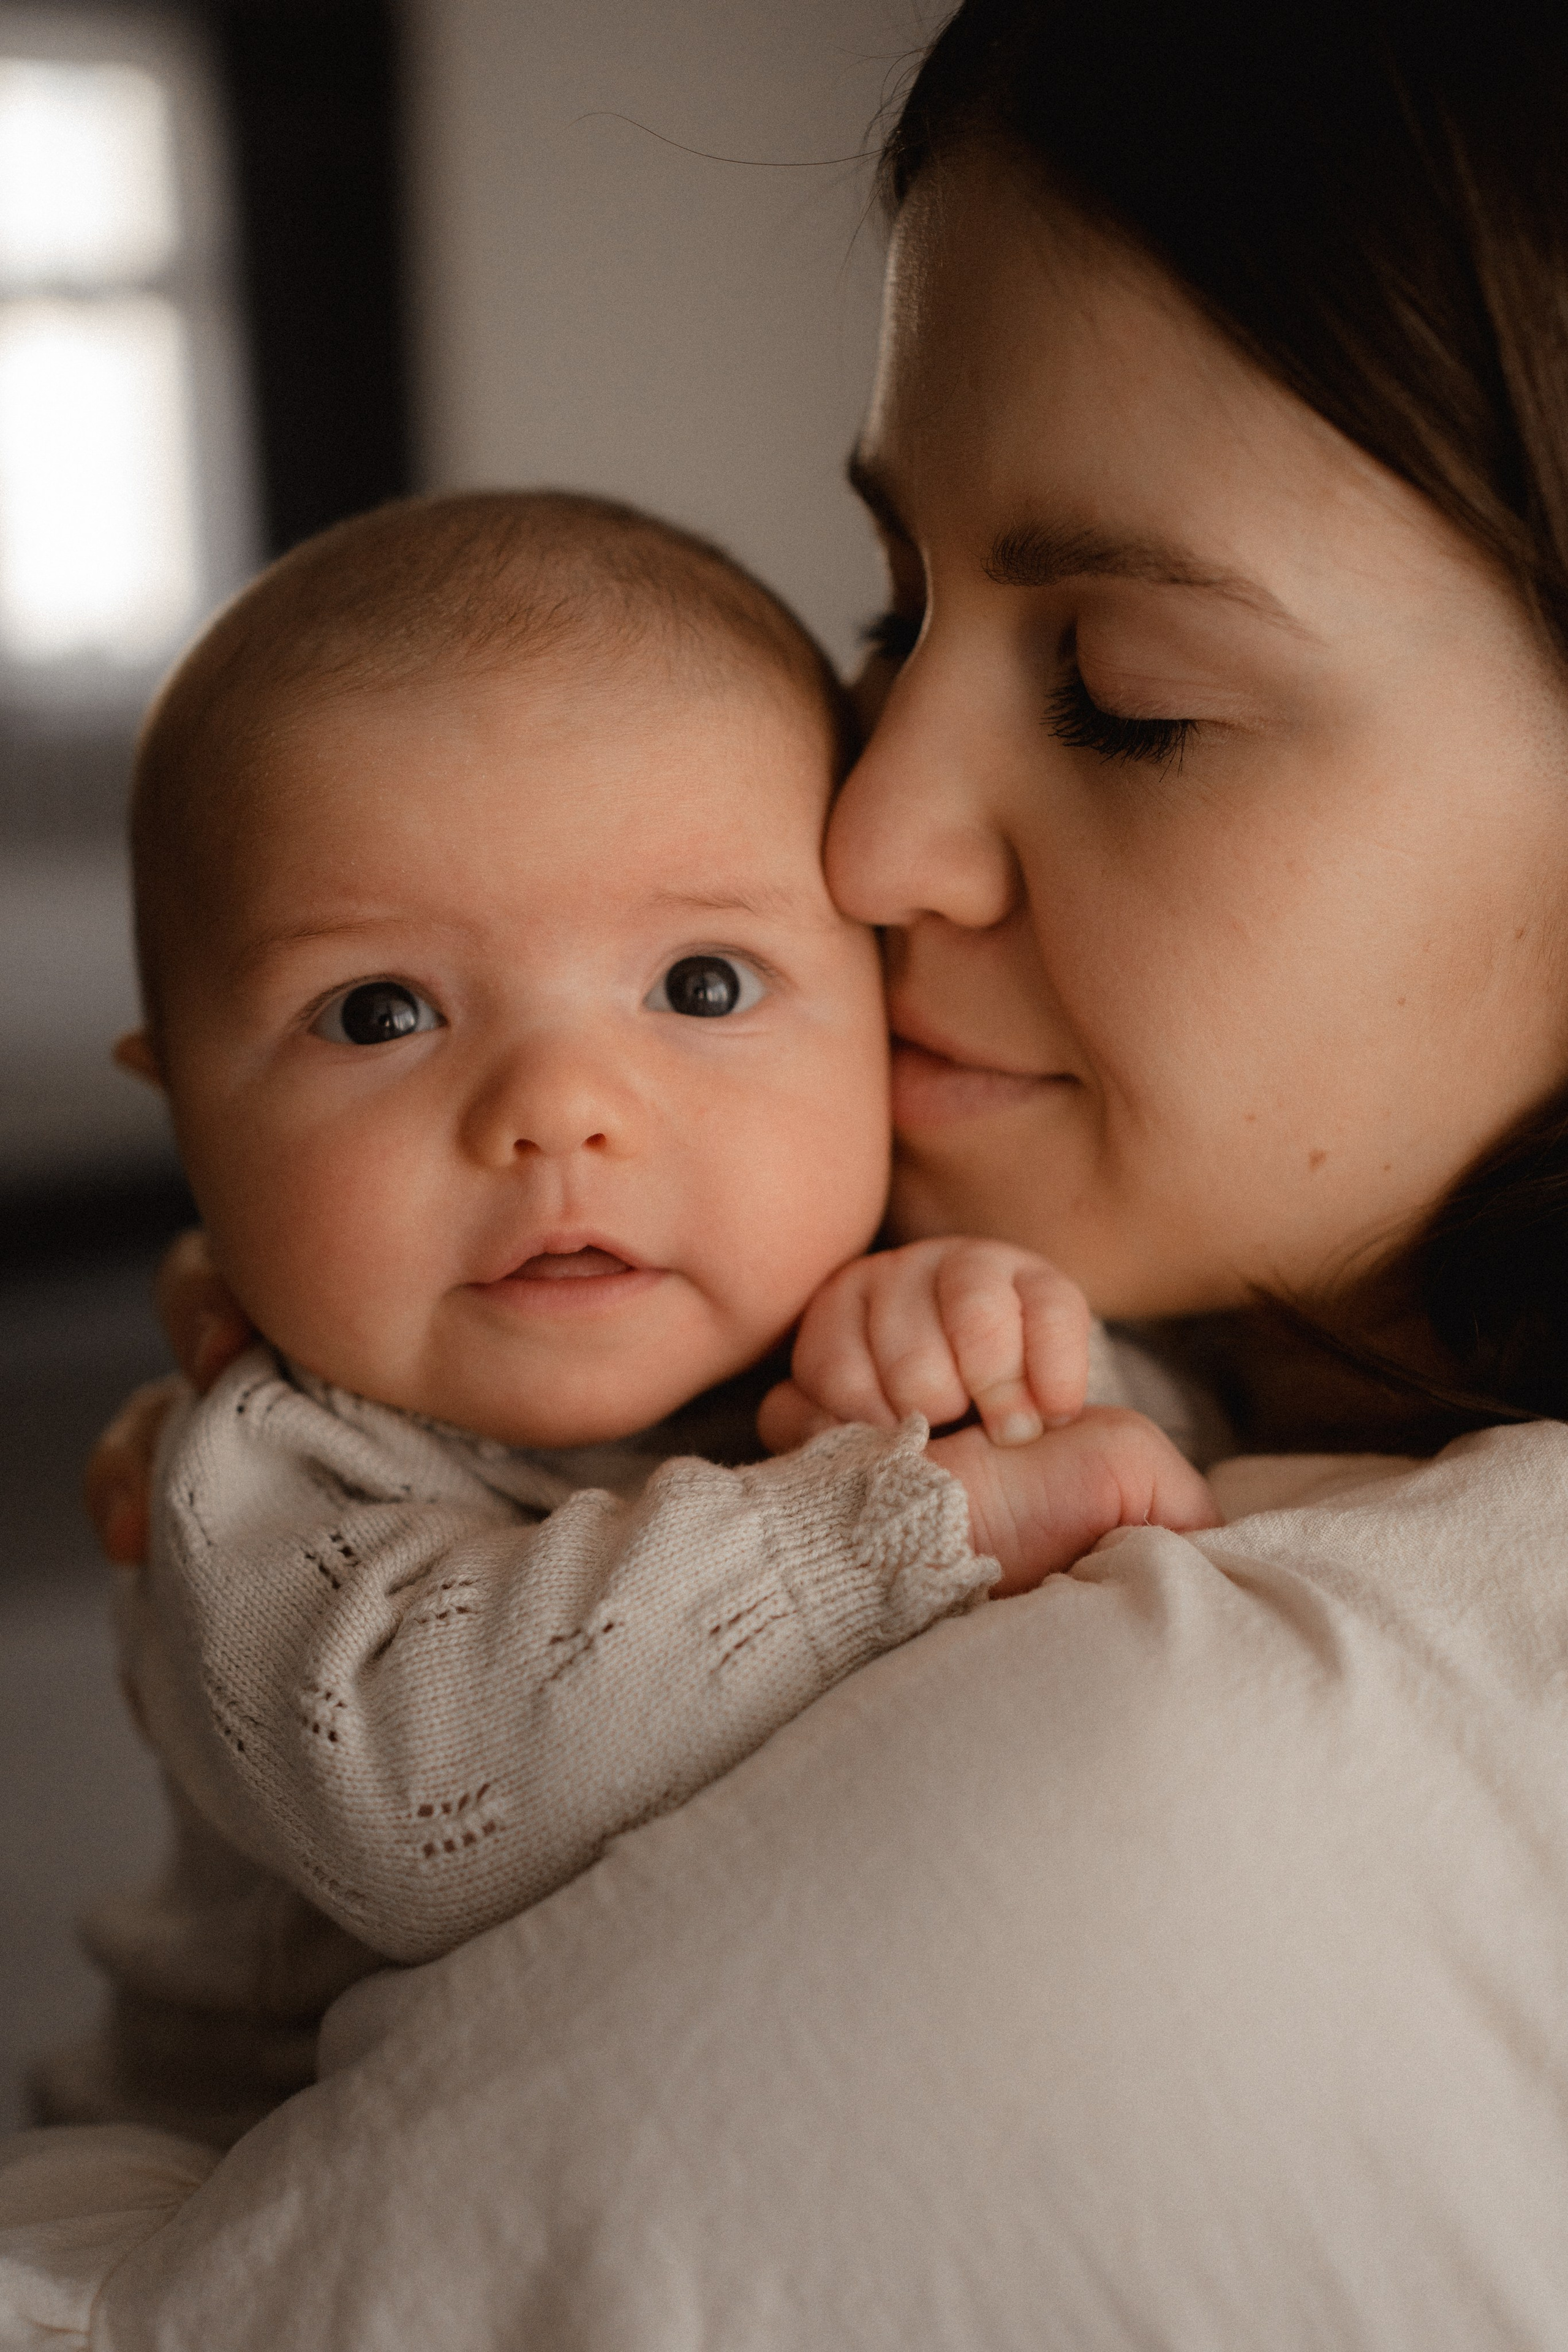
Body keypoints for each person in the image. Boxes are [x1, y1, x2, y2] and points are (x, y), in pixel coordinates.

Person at [9, 0, 1568, 2341]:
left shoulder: (1257, 1769)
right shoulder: (911, 1277)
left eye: (1126, 692)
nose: (863, 830)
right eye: (894, 613)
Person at [26, 488, 1214, 2154]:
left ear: (880, 1009)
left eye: (701, 984)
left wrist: (1032, 1362)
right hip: (232, 2183)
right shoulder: (269, 1464)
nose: (559, 1111)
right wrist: (907, 1528)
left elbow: (1160, 1486)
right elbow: (407, 1802)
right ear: (188, 1126)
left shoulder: (870, 1309)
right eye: (379, 1012)